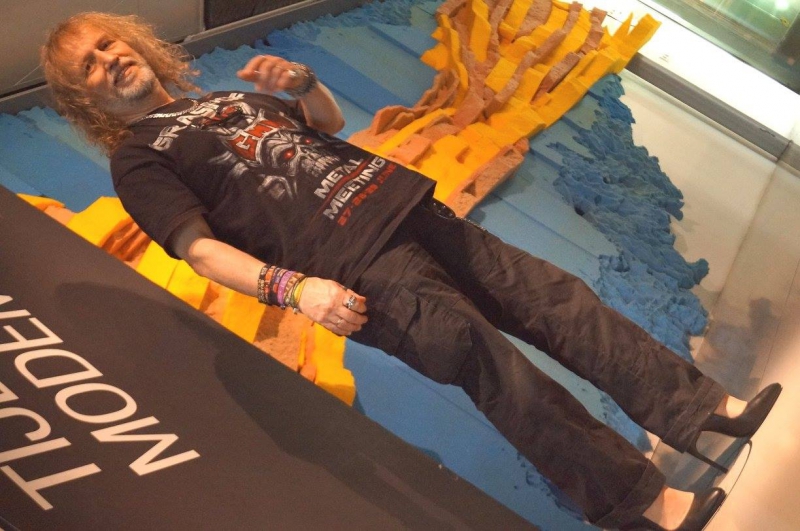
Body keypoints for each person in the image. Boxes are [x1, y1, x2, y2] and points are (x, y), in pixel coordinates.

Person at [40, 12, 781, 530]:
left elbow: (326, 126)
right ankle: (646, 508)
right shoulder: (138, 159)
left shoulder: (226, 98)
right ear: (84, 96)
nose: (110, 60)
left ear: (134, 40)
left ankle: (703, 413)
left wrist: (302, 81)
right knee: (505, 378)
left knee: (562, 302)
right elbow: (199, 250)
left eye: (109, 43)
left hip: (410, 209)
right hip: (362, 272)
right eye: (90, 65)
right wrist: (297, 291)